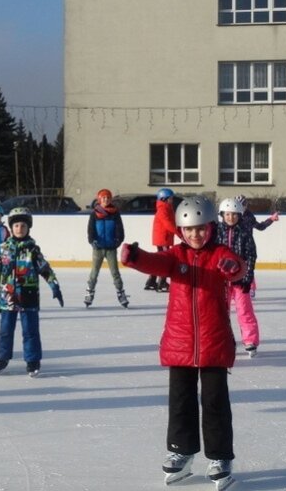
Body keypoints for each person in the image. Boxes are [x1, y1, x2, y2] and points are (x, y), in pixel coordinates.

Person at [120, 196, 246, 489]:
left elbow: (239, 267)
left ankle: (220, 457)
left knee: (215, 403)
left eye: (200, 228)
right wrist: (135, 257)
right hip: (179, 343)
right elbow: (155, 263)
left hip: (214, 341)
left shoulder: (220, 253)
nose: (195, 235)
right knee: (180, 402)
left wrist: (231, 266)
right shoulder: (176, 256)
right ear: (180, 231)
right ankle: (181, 450)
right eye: (189, 230)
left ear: (210, 227)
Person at [0, 207, 64, 377]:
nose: (19, 229)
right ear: (11, 228)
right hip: (8, 297)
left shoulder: (33, 250)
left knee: (30, 331)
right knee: (5, 330)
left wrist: (54, 285)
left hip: (29, 296)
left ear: (28, 228)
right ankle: (2, 358)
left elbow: (45, 269)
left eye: (23, 226)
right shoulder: (4, 249)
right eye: (16, 226)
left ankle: (32, 360)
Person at [216, 198, 260, 357]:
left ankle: (250, 341)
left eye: (234, 214)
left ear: (240, 215)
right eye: (227, 214)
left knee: (244, 310)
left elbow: (251, 256)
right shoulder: (216, 233)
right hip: (221, 280)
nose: (231, 217)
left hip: (240, 280)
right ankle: (222, 340)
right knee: (221, 312)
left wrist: (248, 278)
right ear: (222, 215)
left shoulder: (245, 233)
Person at [85, 188, 128, 308]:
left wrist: (118, 240)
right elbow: (90, 230)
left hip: (111, 248)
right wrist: (92, 240)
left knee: (115, 273)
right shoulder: (94, 214)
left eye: (108, 197)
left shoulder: (115, 213)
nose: (106, 199)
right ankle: (89, 292)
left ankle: (121, 293)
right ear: (99, 199)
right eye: (103, 197)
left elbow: (120, 229)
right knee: (94, 273)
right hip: (98, 248)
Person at [235, 194, 279, 298]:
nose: (242, 207)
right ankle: (235, 288)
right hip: (236, 246)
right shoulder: (233, 216)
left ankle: (251, 287)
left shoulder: (249, 216)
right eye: (239, 205)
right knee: (235, 267)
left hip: (248, 246)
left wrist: (271, 219)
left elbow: (260, 226)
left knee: (248, 268)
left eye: (243, 205)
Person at [145, 188, 176, 292]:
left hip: (164, 238)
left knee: (159, 259)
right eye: (170, 198)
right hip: (163, 239)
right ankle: (161, 282)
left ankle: (152, 281)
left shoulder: (167, 207)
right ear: (164, 199)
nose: (172, 200)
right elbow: (167, 224)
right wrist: (178, 232)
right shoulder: (163, 209)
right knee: (165, 261)